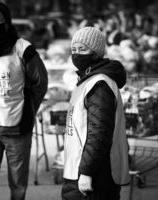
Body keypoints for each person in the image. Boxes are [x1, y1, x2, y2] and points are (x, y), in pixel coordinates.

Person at [0, 2, 48, 200]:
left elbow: (40, 83)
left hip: (17, 128)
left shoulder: (23, 49)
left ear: (7, 21)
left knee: (17, 184)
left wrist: (30, 109)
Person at [62, 27, 130, 200]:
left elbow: (99, 134)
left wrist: (86, 172)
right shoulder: (88, 79)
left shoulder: (99, 85)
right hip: (82, 169)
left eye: (82, 49)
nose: (77, 54)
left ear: (96, 52)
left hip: (95, 176)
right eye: (74, 50)